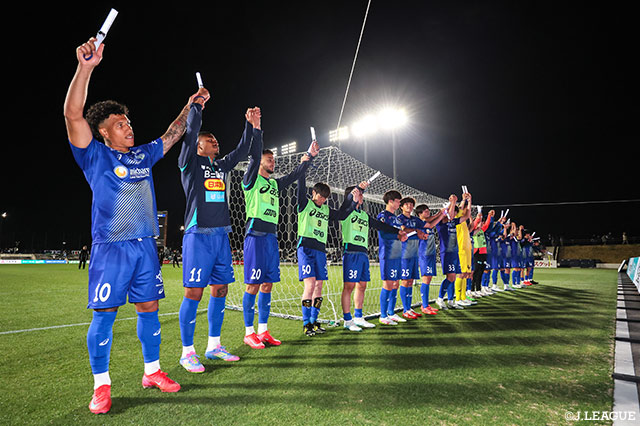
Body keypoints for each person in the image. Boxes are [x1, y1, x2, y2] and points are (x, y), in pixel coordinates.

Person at [65, 37, 194, 413]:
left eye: (129, 122)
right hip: (111, 248)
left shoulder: (142, 155)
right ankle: (101, 386)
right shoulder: (94, 155)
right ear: (104, 132)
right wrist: (85, 69)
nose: (128, 127)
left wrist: (191, 104)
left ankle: (152, 372)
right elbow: (73, 115)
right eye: (120, 124)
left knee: (149, 307)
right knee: (105, 313)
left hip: (145, 246)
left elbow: (173, 133)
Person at [176, 94, 260, 372]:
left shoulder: (220, 166)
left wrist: (251, 126)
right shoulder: (190, 163)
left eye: (215, 140)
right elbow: (189, 133)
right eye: (210, 140)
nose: (215, 142)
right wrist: (197, 107)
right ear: (199, 146)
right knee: (194, 292)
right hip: (198, 235)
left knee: (221, 289)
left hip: (221, 235)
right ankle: (187, 352)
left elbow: (242, 151)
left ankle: (214, 346)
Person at [241, 138, 318, 348]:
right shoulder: (251, 180)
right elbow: (254, 159)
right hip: (255, 236)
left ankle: (263, 331)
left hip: (271, 238)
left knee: (268, 284)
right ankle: (249, 333)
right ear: (259, 162)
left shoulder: (274, 184)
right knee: (253, 285)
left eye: (273, 159)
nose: (272, 162)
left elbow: (294, 175)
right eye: (269, 159)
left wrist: (309, 157)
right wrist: (256, 133)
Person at [297, 176, 363, 336]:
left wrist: (353, 199)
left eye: (325, 198)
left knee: (319, 286)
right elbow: (300, 186)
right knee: (310, 285)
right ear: (313, 193)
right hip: (306, 248)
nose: (322, 200)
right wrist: (304, 166)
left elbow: (342, 214)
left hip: (320, 250)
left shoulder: (326, 210)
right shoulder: (305, 204)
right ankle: (306, 323)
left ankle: (314, 321)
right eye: (320, 196)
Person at [340, 184, 406, 331]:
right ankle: (347, 320)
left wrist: (398, 232)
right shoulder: (346, 213)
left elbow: (380, 226)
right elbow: (345, 208)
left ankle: (358, 317)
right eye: (359, 194)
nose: (362, 196)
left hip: (363, 253)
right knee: (349, 287)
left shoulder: (364, 215)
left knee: (362, 286)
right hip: (351, 252)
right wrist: (356, 192)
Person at [377, 190, 407, 325]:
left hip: (397, 253)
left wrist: (402, 236)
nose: (399, 204)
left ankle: (391, 312)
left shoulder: (396, 219)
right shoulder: (383, 216)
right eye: (398, 201)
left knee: (395, 283)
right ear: (390, 201)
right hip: (387, 254)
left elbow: (399, 234)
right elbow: (383, 234)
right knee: (388, 283)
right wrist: (398, 235)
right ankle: (383, 315)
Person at [435, 195, 468, 309]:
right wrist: (453, 203)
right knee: (451, 276)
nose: (453, 214)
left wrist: (468, 201)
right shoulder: (441, 223)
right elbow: (447, 214)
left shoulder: (454, 222)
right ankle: (440, 298)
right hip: (447, 252)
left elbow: (466, 216)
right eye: (452, 212)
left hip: (454, 252)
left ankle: (450, 301)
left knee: (453, 278)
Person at [396, 197, 427, 319]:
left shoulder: (415, 219)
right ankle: (405, 310)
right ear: (401, 207)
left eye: (411, 204)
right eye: (406, 204)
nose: (409, 206)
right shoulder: (399, 218)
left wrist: (442, 214)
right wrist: (417, 231)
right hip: (404, 254)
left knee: (410, 281)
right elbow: (403, 229)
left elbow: (427, 224)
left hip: (414, 254)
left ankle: (409, 308)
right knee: (405, 281)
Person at [414, 204, 445, 314]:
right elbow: (431, 222)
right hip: (424, 255)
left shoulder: (427, 223)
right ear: (420, 214)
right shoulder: (420, 223)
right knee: (426, 279)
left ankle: (426, 305)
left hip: (431, 254)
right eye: (425, 211)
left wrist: (441, 214)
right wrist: (440, 214)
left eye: (428, 210)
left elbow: (432, 222)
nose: (428, 212)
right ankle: (424, 306)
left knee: (429, 279)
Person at [454, 193, 475, 306]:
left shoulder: (463, 222)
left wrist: (469, 201)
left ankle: (463, 297)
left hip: (467, 248)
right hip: (461, 248)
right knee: (461, 274)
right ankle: (458, 298)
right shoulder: (456, 219)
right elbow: (463, 210)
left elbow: (467, 212)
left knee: (466, 274)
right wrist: (464, 200)